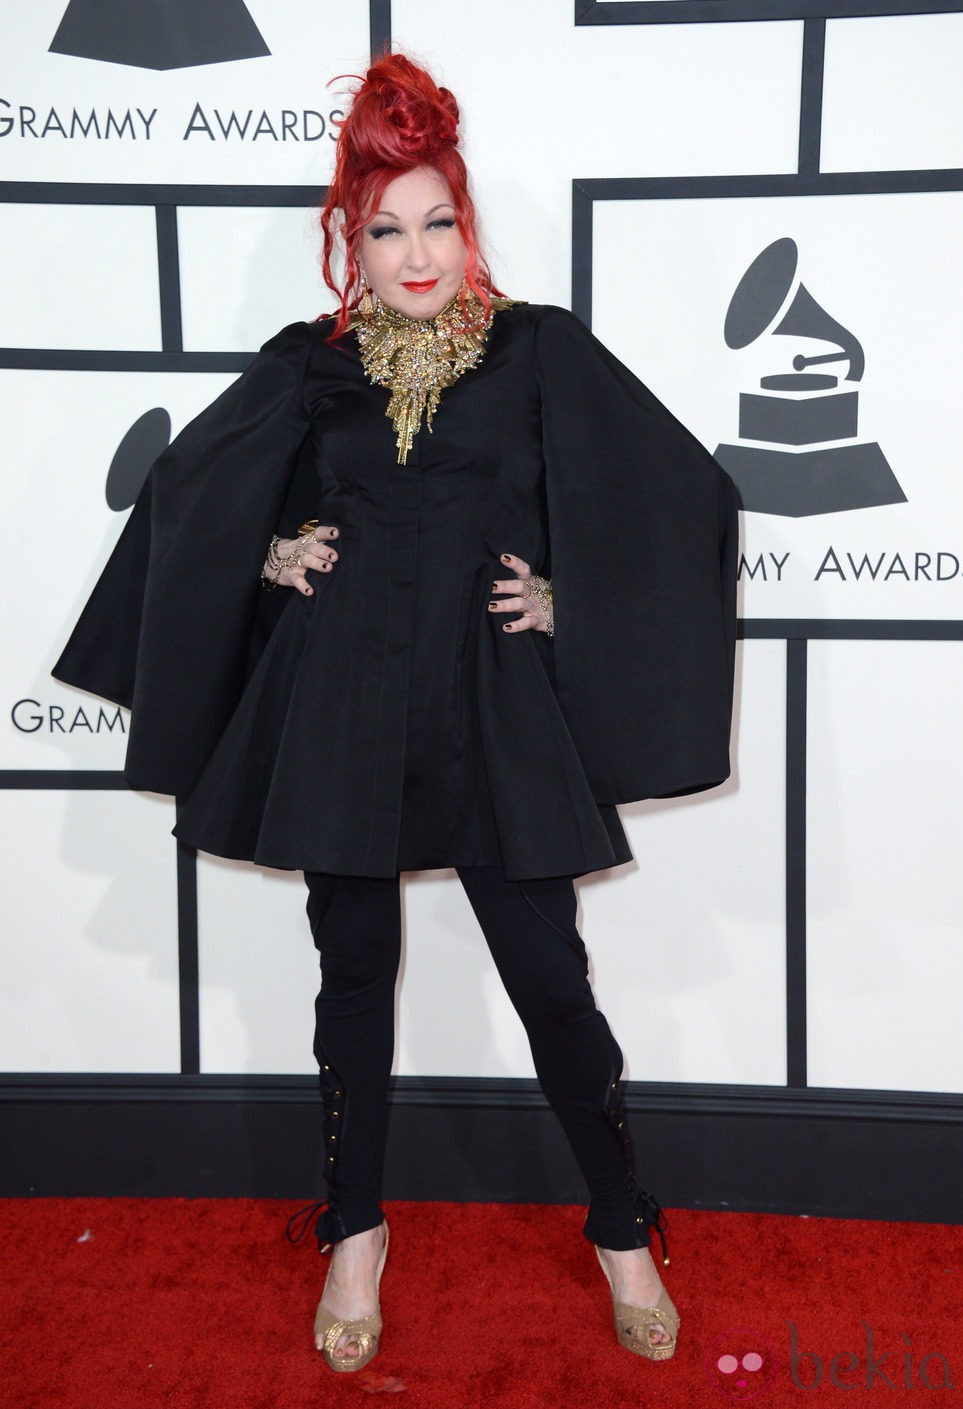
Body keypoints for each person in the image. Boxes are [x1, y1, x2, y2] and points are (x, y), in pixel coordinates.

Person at [54, 53, 739, 1373]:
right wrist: (265, 556)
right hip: (344, 709)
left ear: (465, 226)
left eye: (436, 221)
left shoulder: (541, 348)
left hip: (494, 708)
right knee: (352, 977)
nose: (414, 252)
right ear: (347, 239)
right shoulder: (308, 369)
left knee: (552, 979)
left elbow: (676, 496)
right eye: (385, 227)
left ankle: (620, 1229)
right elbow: (188, 499)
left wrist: (570, 594)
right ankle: (356, 1228)